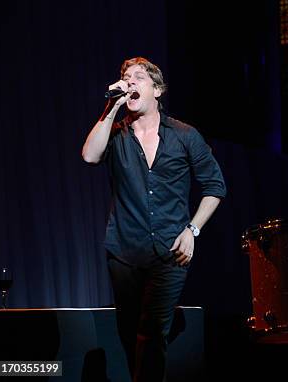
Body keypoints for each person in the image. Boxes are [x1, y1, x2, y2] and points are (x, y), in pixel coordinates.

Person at [81, 57, 226, 381]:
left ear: (157, 89)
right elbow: (90, 156)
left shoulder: (184, 135)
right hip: (124, 251)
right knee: (129, 333)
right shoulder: (116, 133)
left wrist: (192, 230)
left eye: (138, 78)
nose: (129, 83)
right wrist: (111, 108)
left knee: (151, 334)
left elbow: (215, 187)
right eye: (125, 77)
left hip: (170, 251)